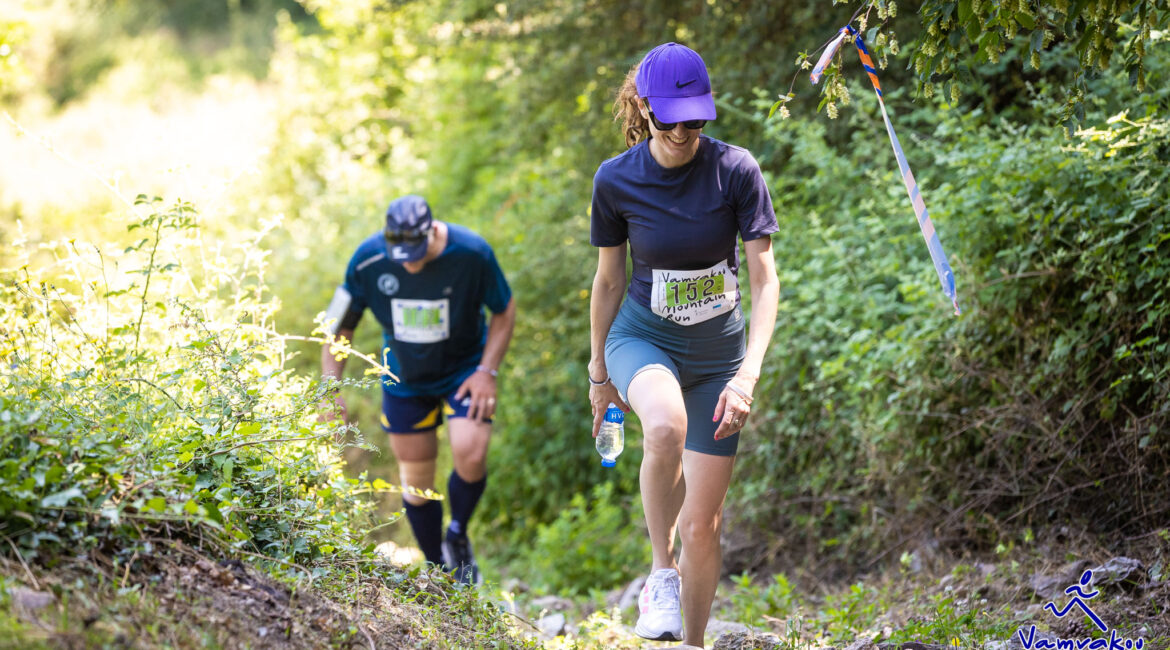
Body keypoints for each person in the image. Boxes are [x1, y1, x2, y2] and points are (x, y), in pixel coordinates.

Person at [588, 43, 780, 648]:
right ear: (644, 108)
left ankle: (693, 642)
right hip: (642, 336)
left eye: (694, 120)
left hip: (720, 356)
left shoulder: (735, 170)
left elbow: (764, 281)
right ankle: (658, 573)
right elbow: (610, 280)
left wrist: (747, 375)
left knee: (702, 525)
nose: (681, 131)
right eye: (669, 119)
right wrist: (598, 373)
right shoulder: (616, 181)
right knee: (664, 427)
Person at [321, 194, 516, 585]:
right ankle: (439, 570)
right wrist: (330, 387)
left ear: (433, 231)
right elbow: (339, 324)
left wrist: (486, 371)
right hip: (405, 378)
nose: (408, 261)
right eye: (400, 253)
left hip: (464, 370)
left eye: (416, 251)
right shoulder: (367, 260)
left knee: (471, 451)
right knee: (417, 480)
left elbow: (504, 309)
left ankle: (458, 533)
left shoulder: (472, 253)